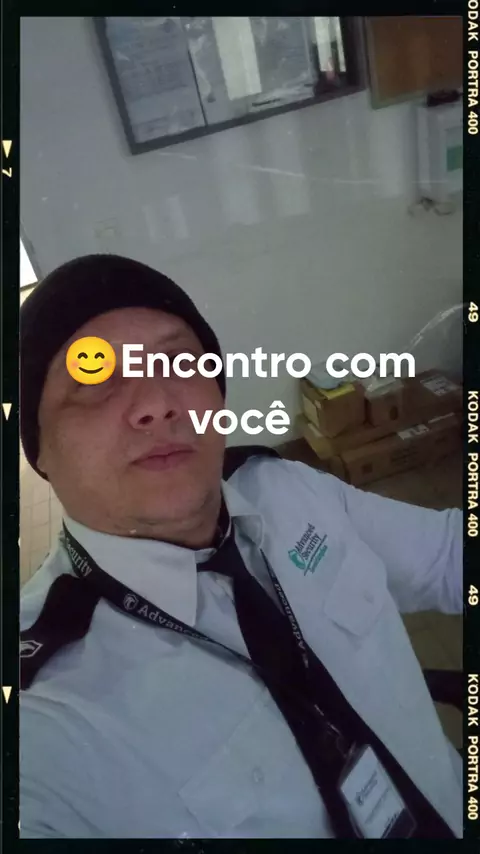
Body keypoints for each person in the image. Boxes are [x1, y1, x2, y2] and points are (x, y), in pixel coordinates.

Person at [20, 254, 462, 840]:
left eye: (179, 361)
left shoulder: (286, 489)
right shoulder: (46, 713)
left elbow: (448, 557)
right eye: (94, 378)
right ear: (39, 448)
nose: (156, 402)